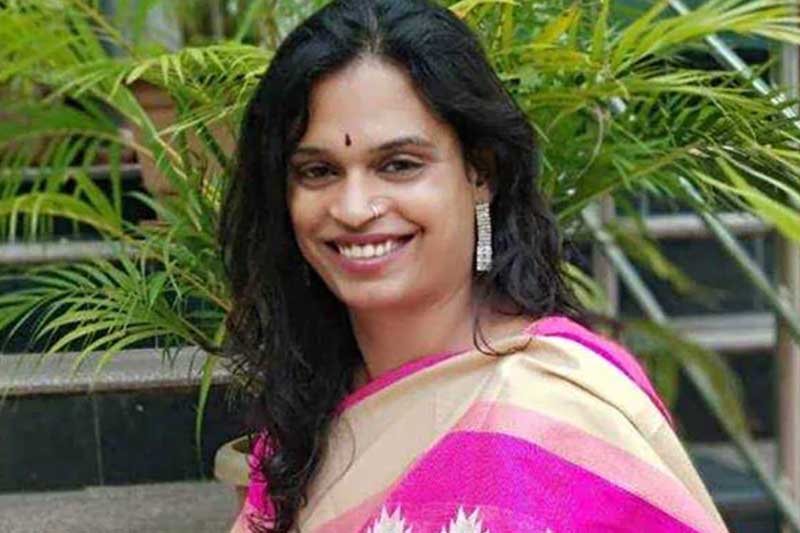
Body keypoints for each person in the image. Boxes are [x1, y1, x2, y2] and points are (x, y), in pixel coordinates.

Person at [218, 1, 729, 531]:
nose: (353, 208)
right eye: (318, 171)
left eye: (399, 165)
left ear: (480, 172)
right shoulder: (307, 421)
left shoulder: (559, 411)